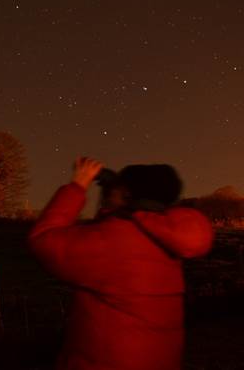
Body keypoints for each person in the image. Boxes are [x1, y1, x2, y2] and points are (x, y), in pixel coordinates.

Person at [28, 157, 214, 370]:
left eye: (114, 190)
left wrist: (77, 186)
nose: (108, 194)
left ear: (127, 195)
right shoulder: (164, 235)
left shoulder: (113, 238)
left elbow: (43, 241)